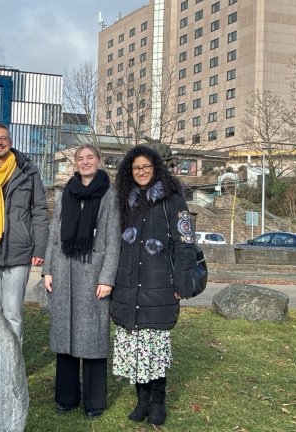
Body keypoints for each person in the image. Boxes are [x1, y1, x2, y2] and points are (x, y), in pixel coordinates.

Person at [111, 145, 199, 426]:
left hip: (158, 281)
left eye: (146, 167)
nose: (141, 172)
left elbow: (185, 243)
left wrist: (182, 283)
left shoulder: (173, 199)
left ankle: (158, 402)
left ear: (156, 168)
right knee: (135, 344)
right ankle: (142, 400)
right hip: (129, 282)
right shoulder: (126, 200)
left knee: (155, 346)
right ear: (130, 170)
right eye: (136, 168)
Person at [41, 144, 120, 417]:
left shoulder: (110, 196)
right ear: (75, 163)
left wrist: (107, 277)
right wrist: (47, 270)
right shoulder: (67, 193)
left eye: (90, 157)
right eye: (80, 158)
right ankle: (66, 397)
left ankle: (94, 401)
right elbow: (54, 235)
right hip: (64, 270)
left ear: (99, 161)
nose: (85, 162)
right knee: (65, 336)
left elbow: (113, 241)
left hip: (94, 275)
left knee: (94, 338)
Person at [0, 123, 48, 342]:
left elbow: (40, 211)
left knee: (13, 313)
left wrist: (39, 247)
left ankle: (13, 367)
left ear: (11, 142)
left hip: (19, 250)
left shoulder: (28, 171)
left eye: (4, 138)